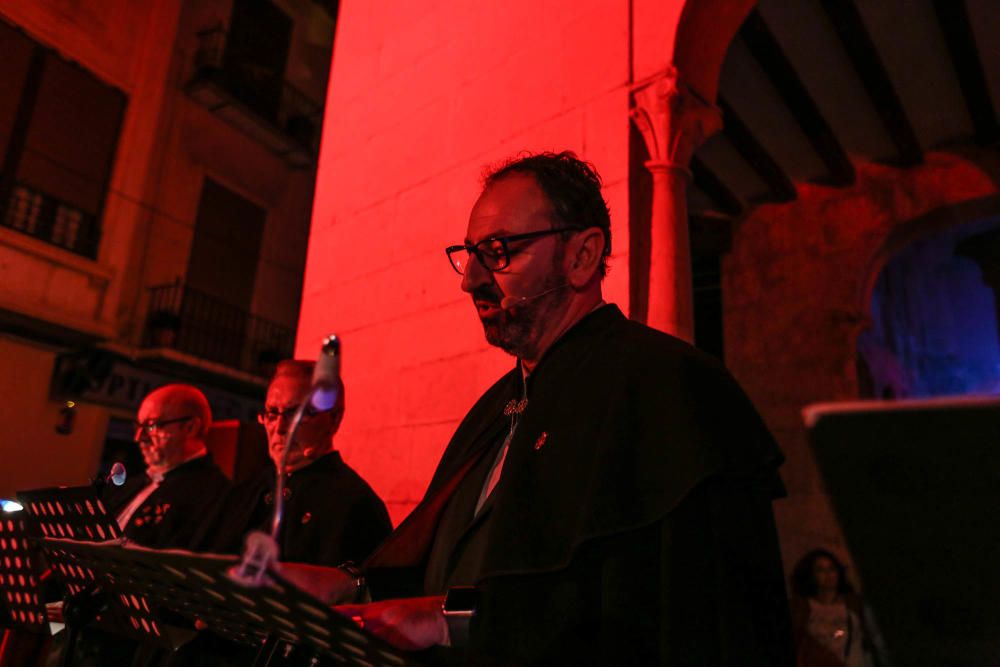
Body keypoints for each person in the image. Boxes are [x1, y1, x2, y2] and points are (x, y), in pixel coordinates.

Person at [282, 151, 794, 665]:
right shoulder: (495, 408)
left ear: (581, 257)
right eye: (470, 253)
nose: (470, 280)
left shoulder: (670, 384)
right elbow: (446, 572)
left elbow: (674, 618)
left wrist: (450, 621)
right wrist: (350, 588)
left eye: (499, 251)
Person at [201, 359, 392, 566]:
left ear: (333, 419)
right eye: (272, 413)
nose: (280, 428)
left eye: (296, 414)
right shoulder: (243, 492)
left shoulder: (357, 505)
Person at [103, 383, 231, 549]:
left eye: (151, 425)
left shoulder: (215, 495)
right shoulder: (131, 485)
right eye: (139, 426)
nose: (138, 437)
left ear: (190, 428)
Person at [790, 549, 880, 667]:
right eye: (820, 570)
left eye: (832, 569)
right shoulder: (803, 607)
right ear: (811, 574)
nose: (828, 574)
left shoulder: (853, 603)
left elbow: (874, 637)